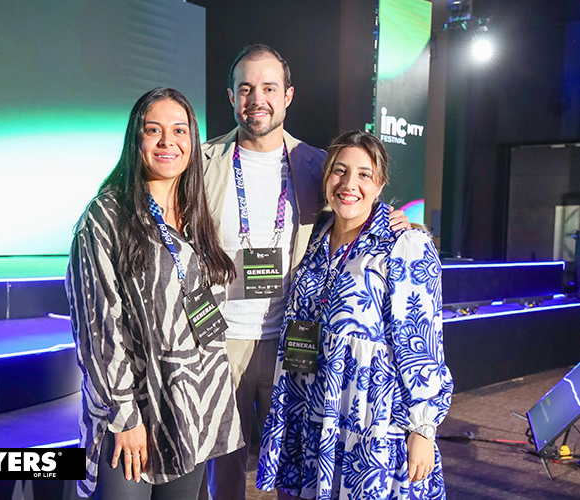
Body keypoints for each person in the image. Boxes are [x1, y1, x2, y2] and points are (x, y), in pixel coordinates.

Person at [201, 45, 411, 500]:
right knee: (222, 472)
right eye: (246, 88)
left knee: (292, 460)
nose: (258, 98)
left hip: (293, 341)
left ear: (288, 95)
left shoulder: (318, 165)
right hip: (219, 339)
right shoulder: (201, 164)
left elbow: (355, 205)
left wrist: (403, 224)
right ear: (231, 96)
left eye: (269, 88)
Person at [256, 130, 454, 500]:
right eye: (340, 171)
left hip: (369, 420)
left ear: (380, 184)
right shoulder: (315, 239)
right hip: (310, 407)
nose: (350, 183)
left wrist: (423, 429)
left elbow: (421, 344)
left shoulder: (404, 244)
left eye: (364, 174)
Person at [66, 88, 243, 499]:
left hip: (193, 407)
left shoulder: (197, 213)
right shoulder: (106, 216)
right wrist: (125, 417)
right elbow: (98, 329)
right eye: (153, 130)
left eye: (180, 130)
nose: (168, 142)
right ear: (136, 140)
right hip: (133, 411)